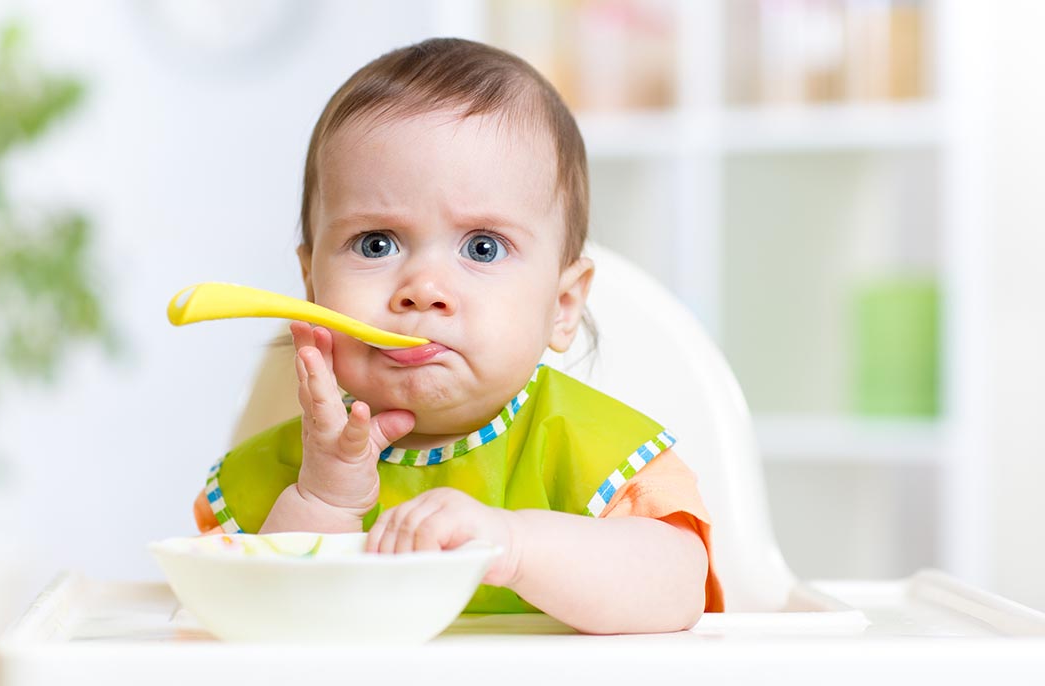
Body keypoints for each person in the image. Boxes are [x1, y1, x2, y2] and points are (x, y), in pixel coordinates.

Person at [193, 37, 723, 633]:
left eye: (482, 247)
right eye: (376, 243)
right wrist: (324, 500)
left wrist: (515, 544)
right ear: (312, 286)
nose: (423, 288)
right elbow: (260, 627)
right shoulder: (289, 471)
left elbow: (677, 590)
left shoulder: (591, 454)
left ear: (563, 305)